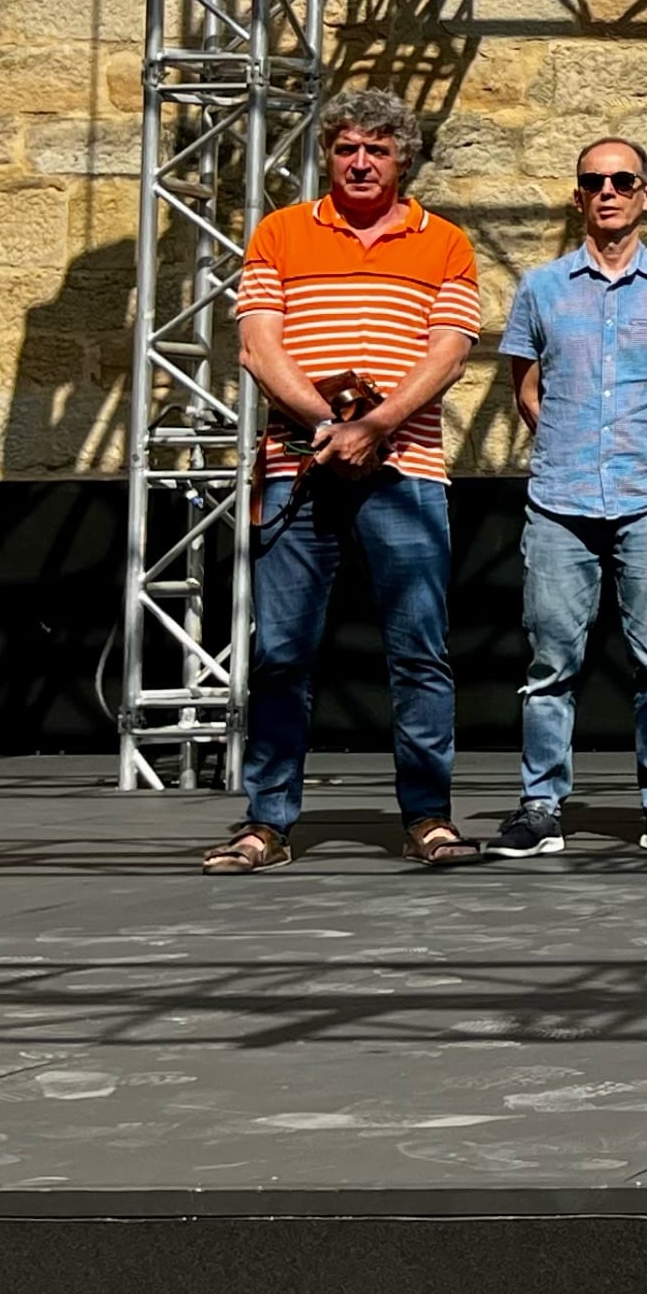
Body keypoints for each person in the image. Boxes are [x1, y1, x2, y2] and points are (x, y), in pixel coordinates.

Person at [199, 88, 486, 875]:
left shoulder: (446, 242)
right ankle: (267, 822)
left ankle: (428, 816)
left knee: (419, 653)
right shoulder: (281, 232)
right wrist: (331, 428)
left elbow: (449, 353)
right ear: (328, 155)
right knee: (283, 652)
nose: (361, 162)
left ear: (404, 159)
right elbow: (258, 347)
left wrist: (376, 424)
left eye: (378, 150)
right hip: (299, 468)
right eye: (347, 148)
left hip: (407, 471)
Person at [489, 137, 647, 860]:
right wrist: (570, 440)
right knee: (551, 663)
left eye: (623, 180)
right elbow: (526, 388)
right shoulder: (541, 287)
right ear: (578, 195)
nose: (609, 191)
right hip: (560, 500)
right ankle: (541, 805)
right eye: (594, 181)